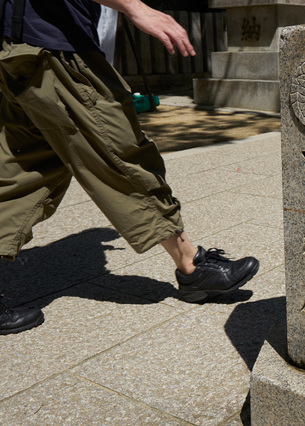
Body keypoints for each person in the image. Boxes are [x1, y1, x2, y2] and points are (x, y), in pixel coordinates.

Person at [0, 0, 260, 335]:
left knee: (25, 171)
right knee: (119, 151)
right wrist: (135, 7)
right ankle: (191, 265)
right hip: (53, 46)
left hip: (19, 43)